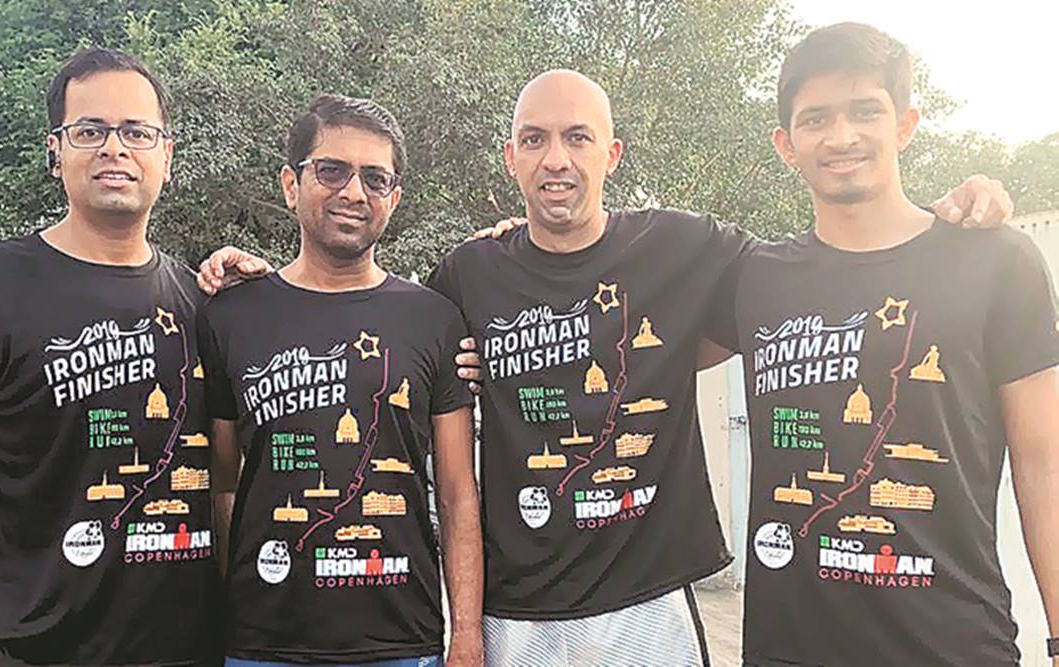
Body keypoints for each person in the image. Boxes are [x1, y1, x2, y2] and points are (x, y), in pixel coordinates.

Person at [424, 70, 1013, 666]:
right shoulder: (468, 274)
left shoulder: (681, 245)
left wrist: (941, 218)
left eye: (578, 137)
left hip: (649, 609)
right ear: (511, 158)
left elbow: (828, 268)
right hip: (515, 611)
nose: (556, 159)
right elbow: (421, 369)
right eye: (534, 139)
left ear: (612, 154)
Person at [704, 22, 1059, 666]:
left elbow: (1045, 464)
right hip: (790, 649)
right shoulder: (754, 276)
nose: (841, 136)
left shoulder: (997, 261)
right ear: (786, 144)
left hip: (954, 646)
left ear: (905, 124)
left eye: (865, 110)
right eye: (815, 119)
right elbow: (637, 348)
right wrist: (516, 250)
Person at [0, 48, 232, 666]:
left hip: (185, 650)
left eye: (137, 132)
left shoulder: (201, 303)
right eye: (90, 131)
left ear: (166, 154)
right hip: (28, 649)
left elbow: (228, 474)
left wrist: (266, 300)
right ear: (56, 151)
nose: (115, 148)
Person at [197, 94, 483, 667]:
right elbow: (222, 482)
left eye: (375, 178)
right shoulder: (230, 315)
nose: (354, 192)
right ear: (291, 184)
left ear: (393, 198)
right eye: (331, 170)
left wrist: (467, 638)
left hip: (403, 643)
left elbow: (457, 496)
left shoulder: (435, 319)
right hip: (262, 646)